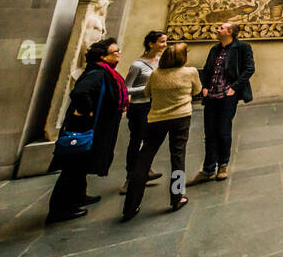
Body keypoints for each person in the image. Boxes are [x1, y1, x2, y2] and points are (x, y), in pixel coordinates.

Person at [47, 37, 128, 223]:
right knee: (73, 169)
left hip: (96, 127)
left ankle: (78, 197)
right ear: (103, 56)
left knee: (80, 167)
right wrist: (88, 113)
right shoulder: (97, 73)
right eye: (115, 52)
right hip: (86, 128)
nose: (119, 54)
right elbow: (79, 93)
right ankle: (59, 210)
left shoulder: (104, 71)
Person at [121, 42, 200, 221]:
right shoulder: (190, 72)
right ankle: (177, 196)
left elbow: (148, 93)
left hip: (156, 118)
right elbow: (197, 90)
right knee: (178, 157)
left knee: (144, 158)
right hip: (181, 118)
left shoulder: (156, 74)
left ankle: (130, 205)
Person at [192, 21, 254, 183]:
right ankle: (208, 168)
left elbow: (249, 68)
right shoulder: (215, 48)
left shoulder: (242, 47)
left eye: (221, 28)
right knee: (210, 132)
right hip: (212, 94)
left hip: (227, 95)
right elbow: (208, 69)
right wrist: (204, 86)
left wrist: (234, 87)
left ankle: (223, 164)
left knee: (223, 130)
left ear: (230, 32)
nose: (218, 30)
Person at [119, 30, 166, 197]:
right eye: (161, 42)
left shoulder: (160, 61)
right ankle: (130, 177)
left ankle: (145, 170)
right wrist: (146, 88)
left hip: (154, 106)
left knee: (149, 141)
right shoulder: (137, 65)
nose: (164, 45)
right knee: (136, 141)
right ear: (151, 43)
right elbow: (126, 88)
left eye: (165, 41)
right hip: (139, 107)